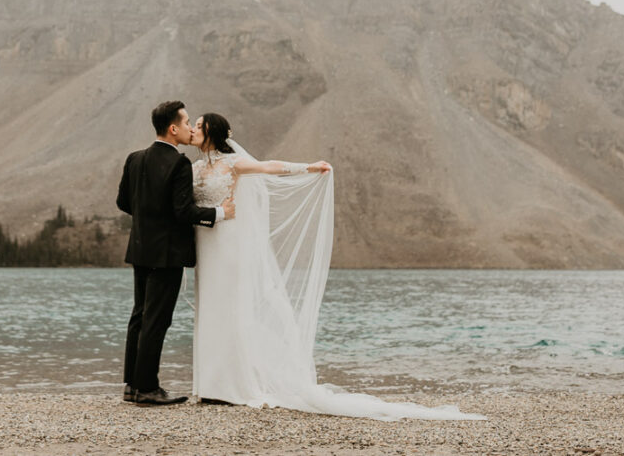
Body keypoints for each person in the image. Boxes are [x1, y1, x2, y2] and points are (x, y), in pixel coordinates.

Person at [188, 112, 486, 421]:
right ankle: (211, 386)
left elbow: (269, 167)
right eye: (193, 125)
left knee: (233, 308)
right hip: (208, 242)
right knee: (211, 308)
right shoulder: (194, 168)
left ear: (213, 131)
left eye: (199, 125)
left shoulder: (233, 163)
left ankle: (233, 387)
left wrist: (309, 167)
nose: (194, 129)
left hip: (231, 243)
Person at [117, 100, 235, 407]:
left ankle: (131, 385)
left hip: (140, 248)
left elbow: (123, 203)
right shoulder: (179, 163)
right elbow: (184, 212)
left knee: (139, 316)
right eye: (185, 124)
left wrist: (149, 218)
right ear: (172, 128)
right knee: (157, 320)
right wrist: (219, 213)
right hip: (167, 252)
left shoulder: (134, 158)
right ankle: (147, 388)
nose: (189, 130)